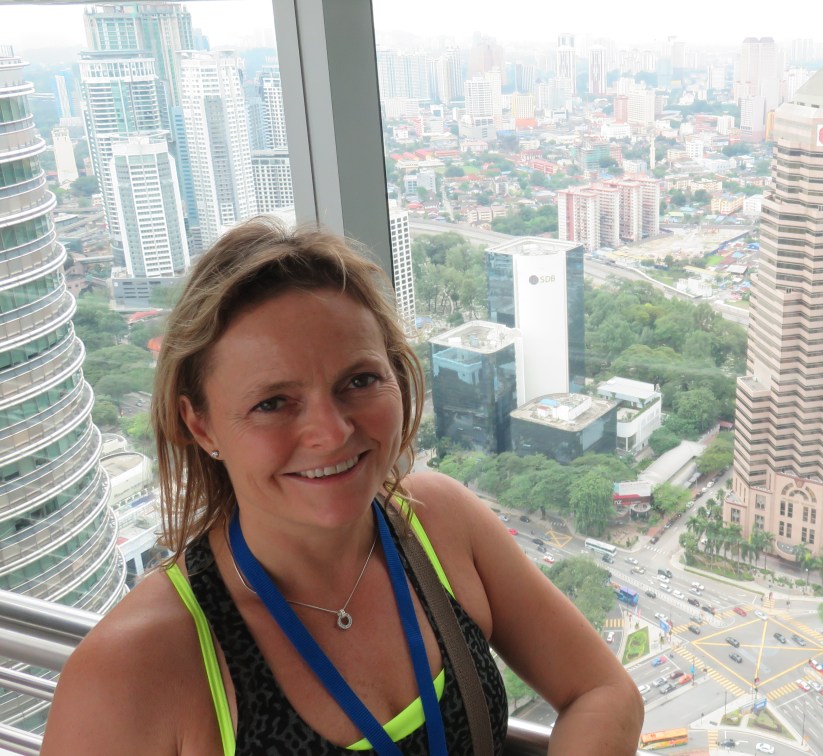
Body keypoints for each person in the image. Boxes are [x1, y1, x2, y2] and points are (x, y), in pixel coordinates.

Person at [42, 219, 642, 755]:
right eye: (273, 403)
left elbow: (601, 690)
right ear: (201, 425)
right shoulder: (134, 669)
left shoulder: (438, 524)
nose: (331, 433)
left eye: (358, 381)